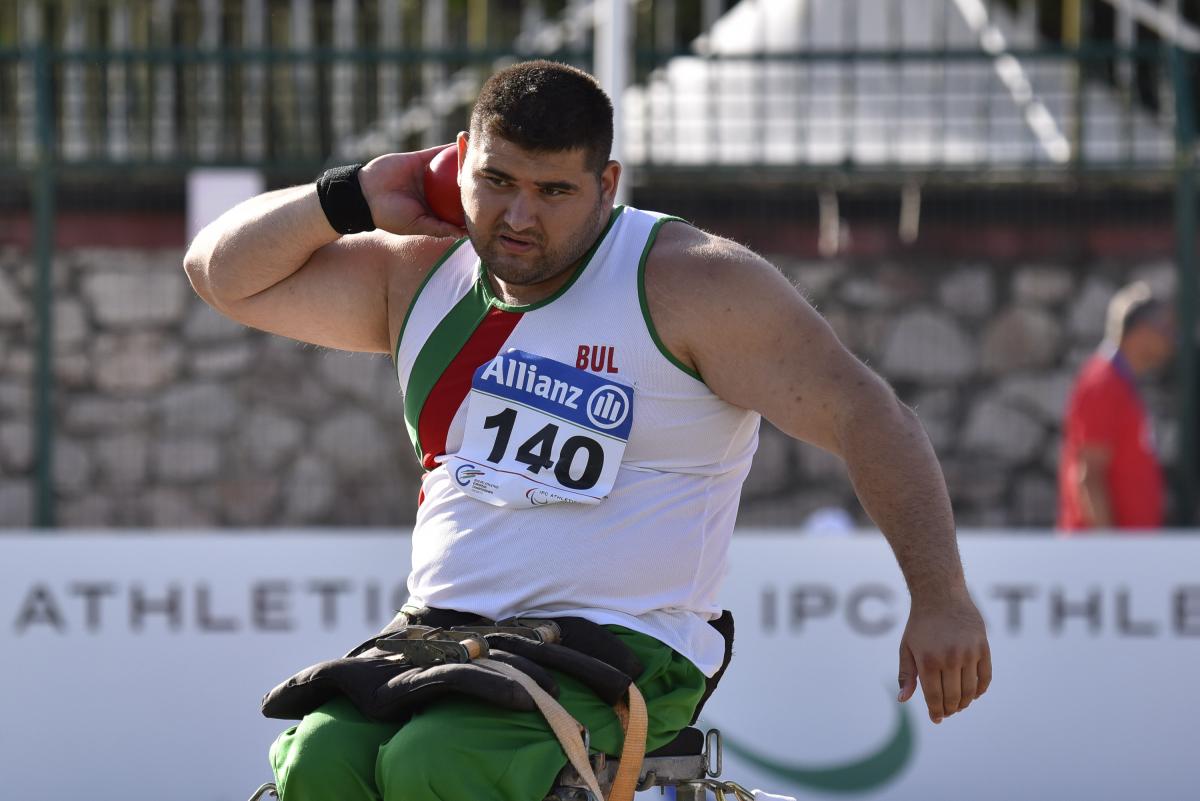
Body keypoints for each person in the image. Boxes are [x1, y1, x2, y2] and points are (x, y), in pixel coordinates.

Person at [184, 60, 991, 801]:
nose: (518, 217)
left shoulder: (691, 281)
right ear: (458, 157)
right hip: (444, 635)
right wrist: (349, 195)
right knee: (315, 758)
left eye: (554, 191)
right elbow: (217, 274)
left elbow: (870, 414)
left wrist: (942, 597)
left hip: (625, 645)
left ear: (607, 182)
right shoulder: (419, 270)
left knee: (438, 762)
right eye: (495, 180)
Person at [1058, 281, 1175, 531]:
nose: (1171, 339)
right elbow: (1089, 478)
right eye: (1165, 329)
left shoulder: (1120, 382)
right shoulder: (1102, 382)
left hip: (1123, 555)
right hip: (1103, 561)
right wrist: (1110, 551)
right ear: (1142, 331)